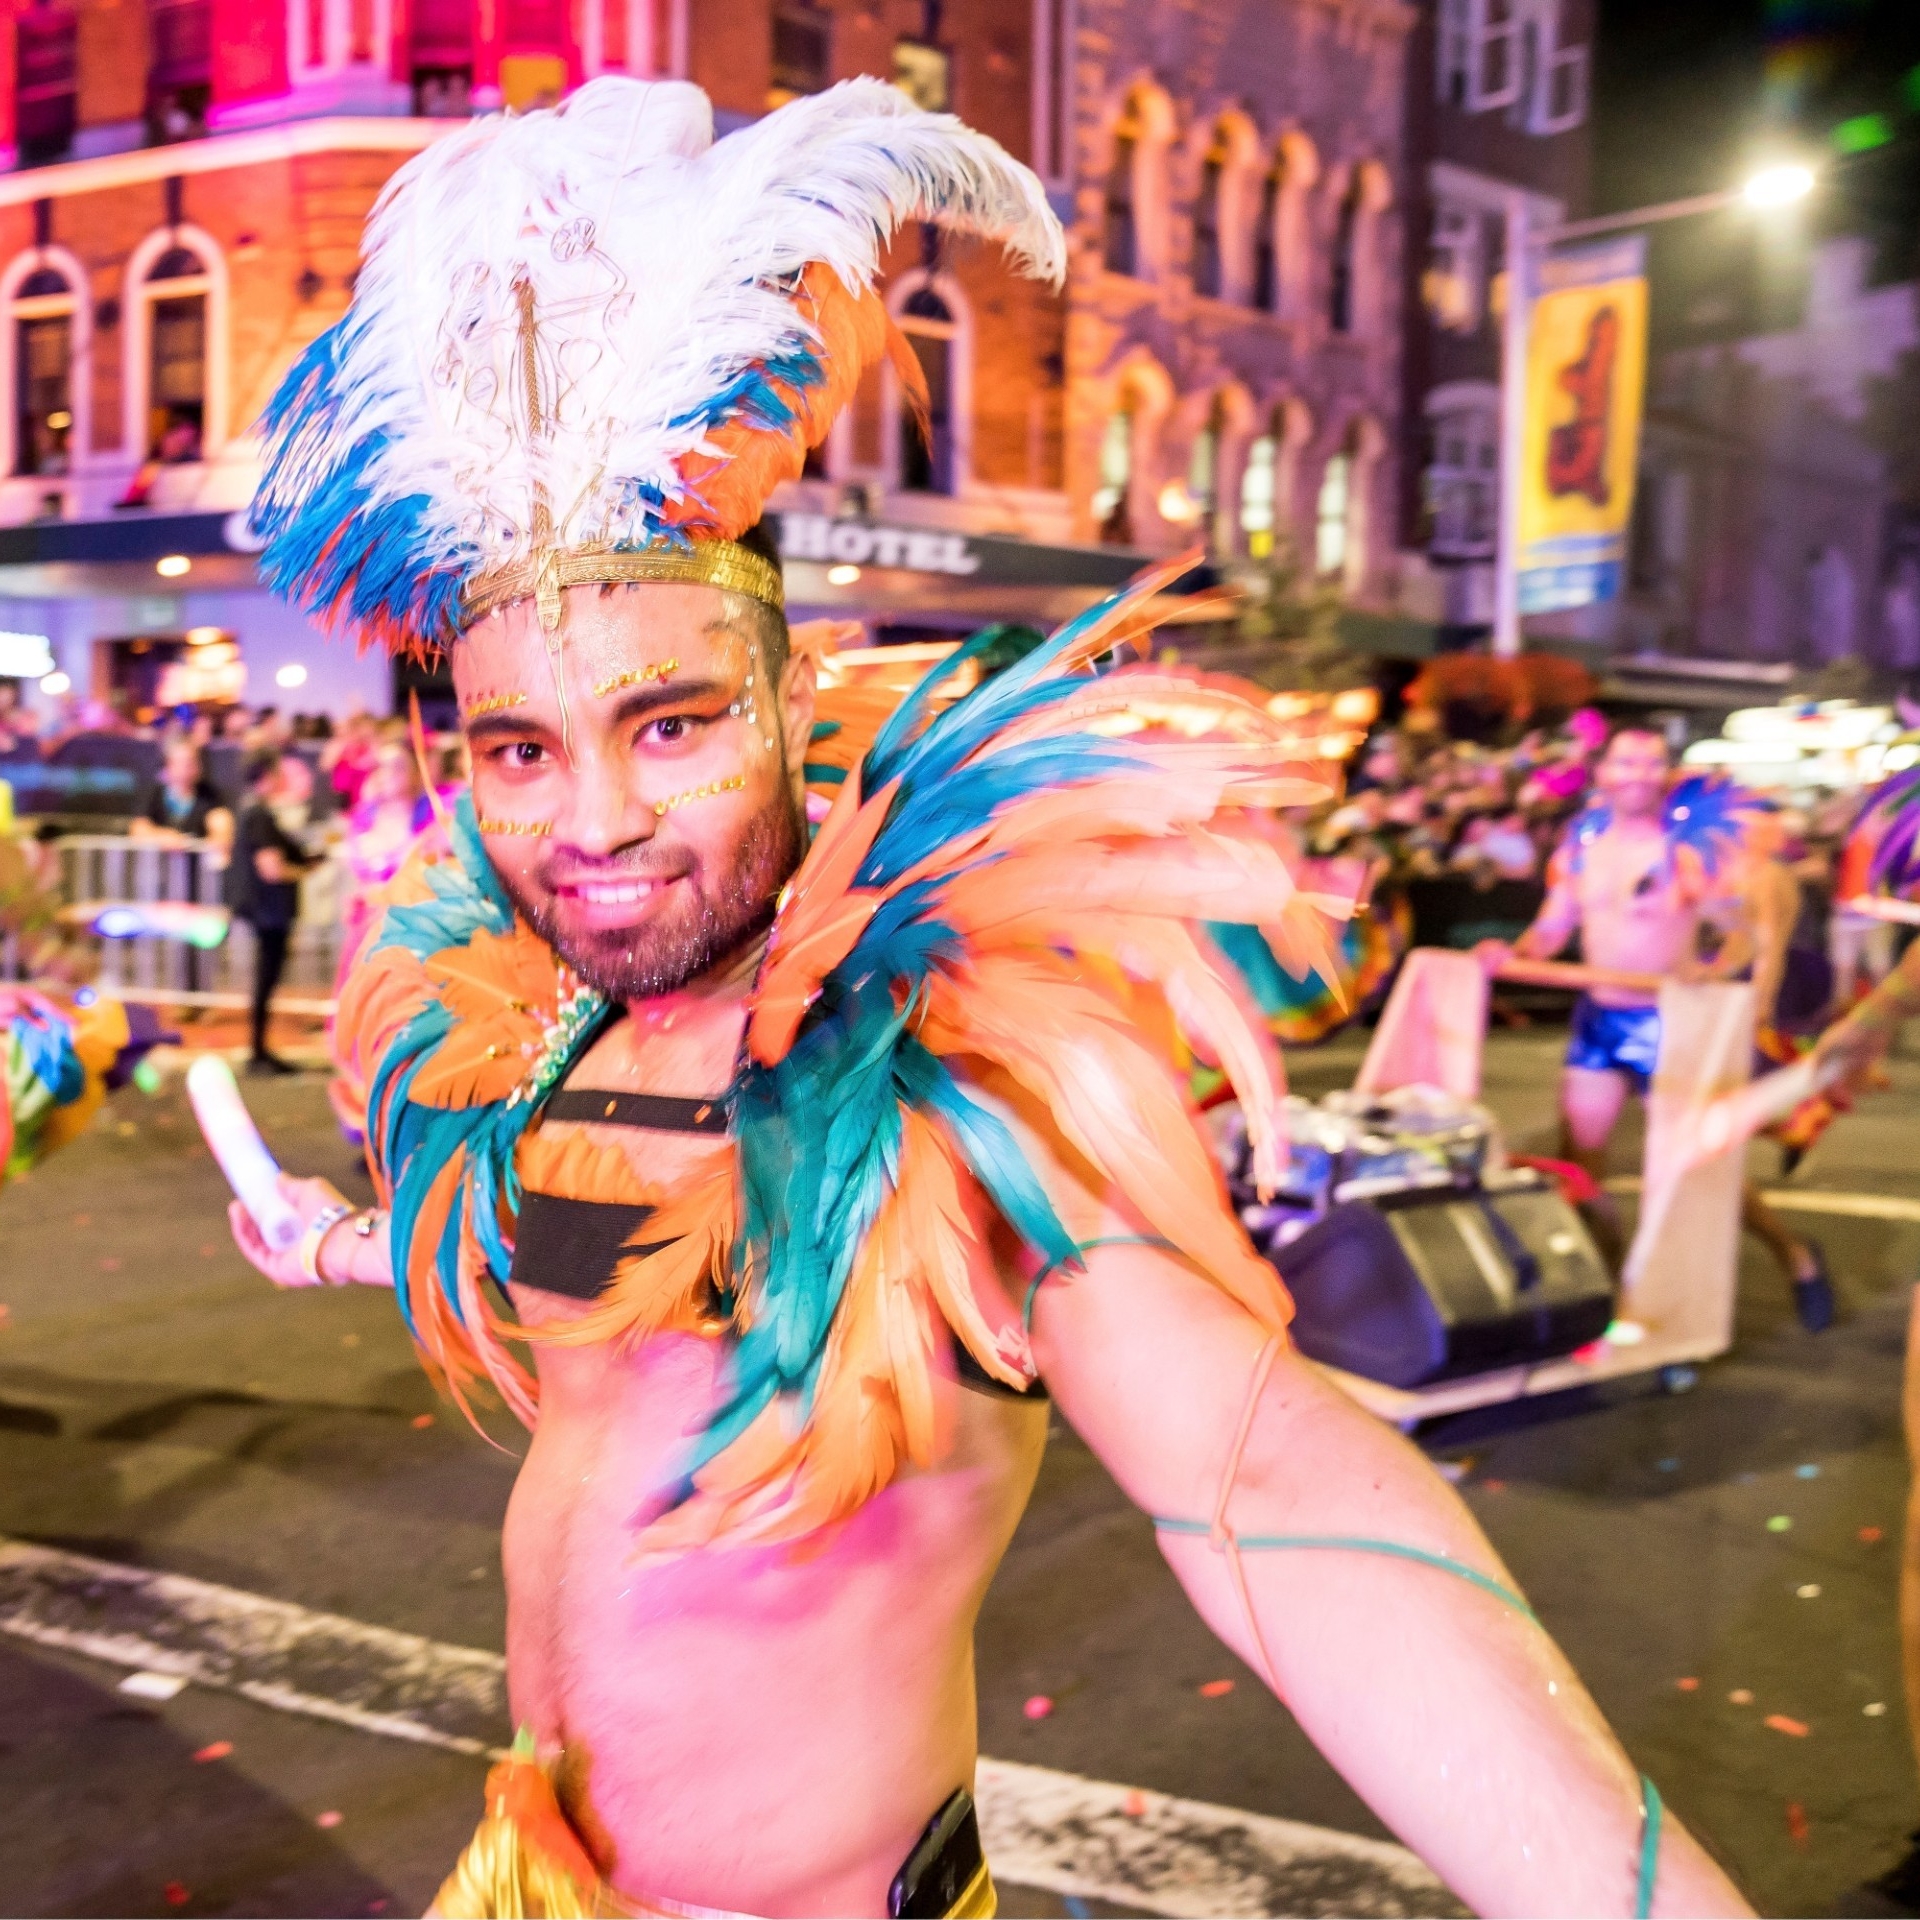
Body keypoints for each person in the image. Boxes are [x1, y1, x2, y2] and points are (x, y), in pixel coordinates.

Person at [223, 77, 1747, 1917]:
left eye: (673, 723)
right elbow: (570, 1284)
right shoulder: (560, 1042)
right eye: (522, 750)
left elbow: (1264, 1490)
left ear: (795, 707)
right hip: (534, 1881)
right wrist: (329, 1242)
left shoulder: (947, 1081)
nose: (598, 820)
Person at [1478, 727, 1833, 1328]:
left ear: (1665, 773)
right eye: (1626, 761)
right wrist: (1508, 953)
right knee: (1581, 1167)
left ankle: (1795, 1256)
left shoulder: (1689, 844)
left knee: (1697, 1167)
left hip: (1671, 1023)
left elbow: (1743, 932)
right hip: (1599, 1020)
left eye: (1653, 762)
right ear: (1604, 772)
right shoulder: (1584, 838)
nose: (1640, 773)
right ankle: (1612, 1298)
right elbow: (1554, 924)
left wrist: (1714, 968)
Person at [227, 750, 317, 1075]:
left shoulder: (251, 814)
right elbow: (273, 869)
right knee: (266, 981)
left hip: (262, 911)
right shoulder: (260, 817)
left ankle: (260, 1050)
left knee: (264, 982)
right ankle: (259, 1052)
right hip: (269, 911)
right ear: (266, 777)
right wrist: (304, 871)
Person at [130, 731, 234, 853]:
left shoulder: (210, 795)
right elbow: (138, 828)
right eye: (181, 763)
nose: (186, 770)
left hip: (195, 865)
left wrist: (219, 838)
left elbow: (221, 828)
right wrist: (164, 837)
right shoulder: (152, 793)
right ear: (167, 765)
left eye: (192, 762)